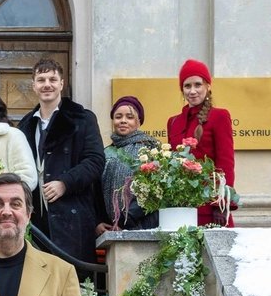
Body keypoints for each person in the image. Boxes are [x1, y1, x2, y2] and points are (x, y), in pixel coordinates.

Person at [16, 58, 106, 269]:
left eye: (52, 79)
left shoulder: (82, 118)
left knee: (74, 282)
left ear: (61, 83)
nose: (47, 84)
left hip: (72, 215)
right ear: (34, 85)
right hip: (37, 219)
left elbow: (95, 161)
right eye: (41, 80)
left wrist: (65, 183)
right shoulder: (25, 125)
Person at [166, 58, 236, 227]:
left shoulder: (219, 116)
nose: (192, 91)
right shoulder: (173, 122)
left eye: (198, 85)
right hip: (179, 207)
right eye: (187, 86)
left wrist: (220, 203)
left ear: (207, 86)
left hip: (209, 207)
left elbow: (225, 162)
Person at [99, 95, 159, 233]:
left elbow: (154, 191)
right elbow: (96, 193)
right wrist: (99, 222)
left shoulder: (152, 150)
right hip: (110, 230)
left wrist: (125, 220)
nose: (123, 121)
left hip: (144, 227)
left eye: (130, 117)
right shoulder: (105, 153)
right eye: (118, 116)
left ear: (139, 121)